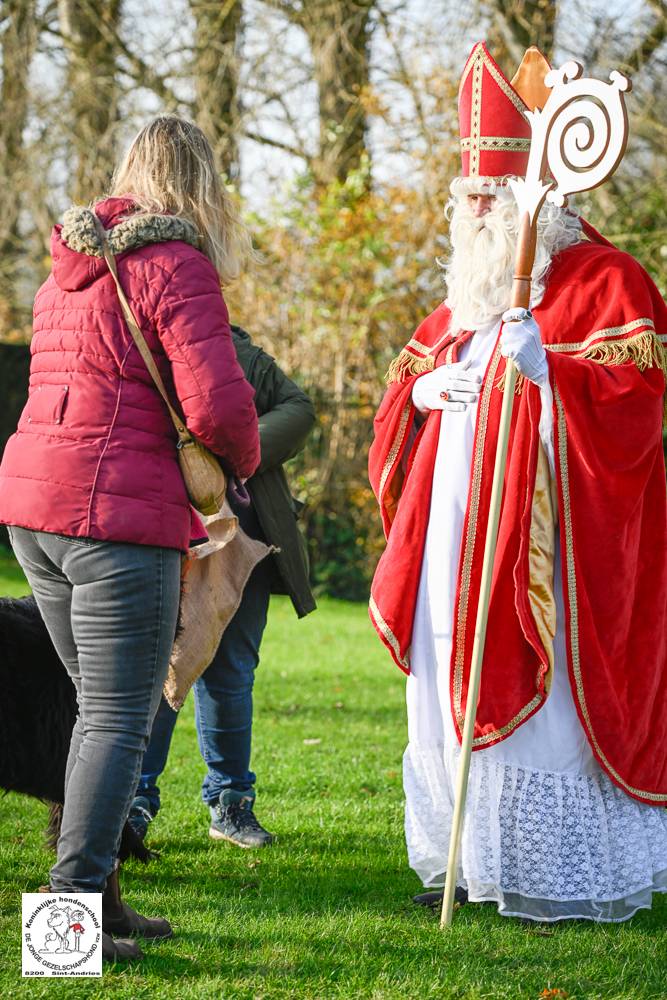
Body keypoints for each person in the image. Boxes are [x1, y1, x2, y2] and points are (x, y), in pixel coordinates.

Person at [368, 42, 667, 922]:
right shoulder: (462, 298)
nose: (473, 214)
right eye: (464, 199)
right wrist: (419, 391)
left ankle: (546, 876)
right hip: (448, 549)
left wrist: (555, 376)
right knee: (444, 692)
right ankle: (465, 866)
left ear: (538, 198)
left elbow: (635, 415)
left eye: (489, 199)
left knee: (542, 713)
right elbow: (398, 400)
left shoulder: (609, 283)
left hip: (547, 559)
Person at [0, 115, 260, 960]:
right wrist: (240, 462)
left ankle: (100, 907)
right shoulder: (177, 263)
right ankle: (66, 930)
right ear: (199, 183)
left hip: (35, 511)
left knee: (92, 715)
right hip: (115, 515)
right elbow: (218, 407)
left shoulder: (63, 271)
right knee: (118, 718)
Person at [128, 325, 316, 848]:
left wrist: (238, 450)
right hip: (162, 530)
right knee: (158, 668)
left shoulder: (235, 346)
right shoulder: (133, 342)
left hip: (245, 539)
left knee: (232, 672)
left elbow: (298, 409)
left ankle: (231, 804)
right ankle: (132, 804)